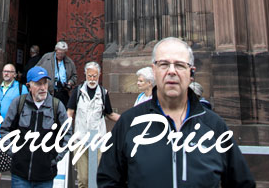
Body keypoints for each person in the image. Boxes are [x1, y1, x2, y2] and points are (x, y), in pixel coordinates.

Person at [97, 37, 255, 188]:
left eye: (179, 65)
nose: (171, 71)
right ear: (154, 70)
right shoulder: (129, 123)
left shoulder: (214, 126)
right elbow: (109, 180)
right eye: (164, 64)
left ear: (191, 73)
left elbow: (242, 182)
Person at [0, 65, 71, 188]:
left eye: (45, 83)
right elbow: (5, 130)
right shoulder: (18, 103)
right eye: (38, 84)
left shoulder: (56, 106)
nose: (43, 88)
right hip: (20, 174)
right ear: (29, 86)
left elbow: (67, 134)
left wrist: (54, 158)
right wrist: (14, 153)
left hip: (45, 175)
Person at [66, 61, 120, 188]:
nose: (92, 79)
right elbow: (70, 113)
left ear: (99, 75)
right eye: (90, 76)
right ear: (85, 75)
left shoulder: (103, 93)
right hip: (80, 139)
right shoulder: (77, 91)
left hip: (98, 139)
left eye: (95, 76)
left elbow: (110, 114)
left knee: (97, 176)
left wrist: (127, 119)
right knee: (83, 179)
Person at [0, 63, 28, 188]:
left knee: (15, 164)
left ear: (15, 74)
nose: (6, 73)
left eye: (9, 71)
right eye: (5, 71)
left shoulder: (21, 89)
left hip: (12, 132)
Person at [39, 40, 77, 106]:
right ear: (56, 50)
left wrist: (70, 82)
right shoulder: (46, 58)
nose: (60, 55)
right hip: (48, 92)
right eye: (59, 53)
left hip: (63, 92)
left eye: (63, 53)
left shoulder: (69, 62)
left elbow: (74, 76)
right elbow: (36, 70)